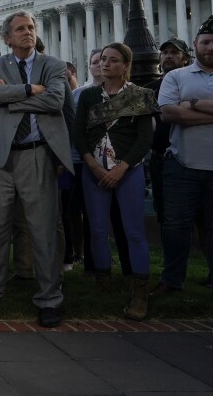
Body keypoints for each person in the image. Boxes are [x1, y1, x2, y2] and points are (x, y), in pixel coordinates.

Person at [0, 10, 73, 328]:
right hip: (0, 156)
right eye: (20, 29)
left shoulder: (53, 66)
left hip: (36, 154)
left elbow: (56, 101)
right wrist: (31, 90)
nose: (27, 32)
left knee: (42, 227)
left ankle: (49, 298)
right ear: (7, 37)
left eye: (31, 27)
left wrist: (10, 99)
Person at [154, 15, 213, 319]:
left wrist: (192, 105)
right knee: (175, 226)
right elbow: (168, 114)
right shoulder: (177, 76)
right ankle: (172, 280)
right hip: (183, 163)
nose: (211, 47)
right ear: (195, 45)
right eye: (205, 42)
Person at [73, 43, 157, 320]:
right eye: (102, 60)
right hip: (93, 169)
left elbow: (145, 138)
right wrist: (93, 166)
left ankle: (140, 293)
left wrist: (121, 168)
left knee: (134, 232)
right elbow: (79, 134)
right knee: (97, 230)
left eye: (112, 60)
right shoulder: (87, 97)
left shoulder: (140, 96)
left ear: (126, 65)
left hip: (127, 171)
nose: (105, 65)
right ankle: (103, 285)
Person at [145, 37, 191, 227]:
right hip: (160, 158)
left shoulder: (193, 85)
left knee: (196, 213)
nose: (168, 56)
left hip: (190, 156)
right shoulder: (149, 90)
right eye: (165, 53)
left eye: (174, 52)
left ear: (185, 59)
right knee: (164, 211)